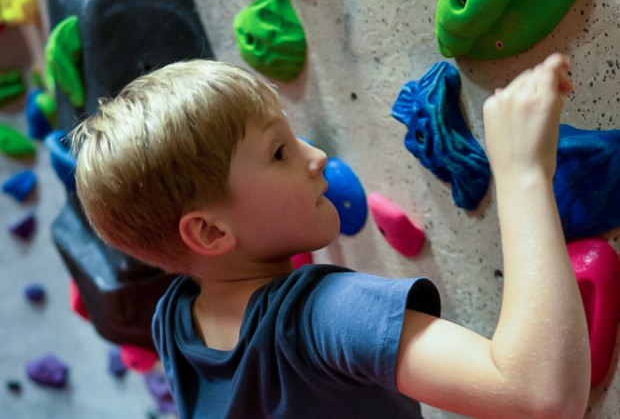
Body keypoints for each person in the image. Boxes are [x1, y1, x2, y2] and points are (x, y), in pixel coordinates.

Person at [71, 53, 591, 418]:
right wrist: (521, 170)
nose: (315, 155)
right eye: (278, 152)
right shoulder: (325, 315)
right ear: (208, 231)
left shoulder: (177, 319)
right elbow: (537, 394)